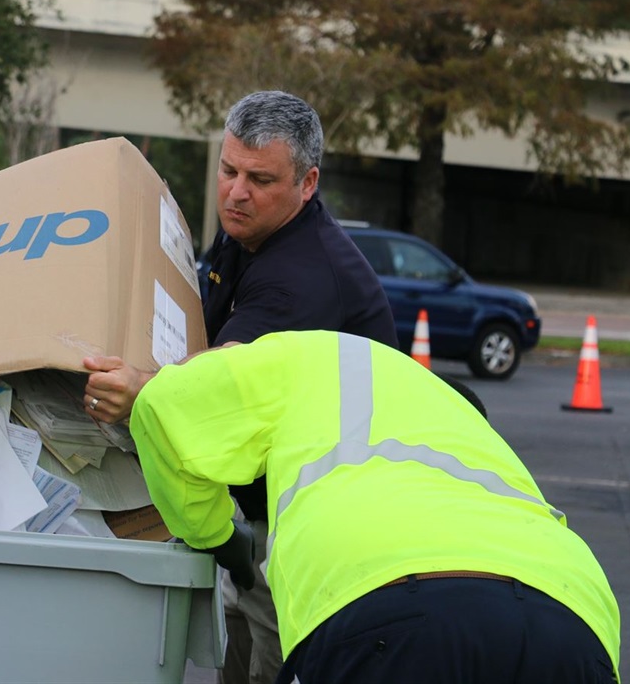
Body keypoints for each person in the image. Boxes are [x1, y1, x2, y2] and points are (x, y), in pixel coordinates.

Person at [83, 90, 398, 684]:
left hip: (315, 526)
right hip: (259, 504)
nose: (235, 192)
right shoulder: (247, 230)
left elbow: (213, 389)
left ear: (307, 184)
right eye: (228, 170)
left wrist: (141, 391)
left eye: (260, 178)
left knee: (272, 664)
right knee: (233, 646)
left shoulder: (301, 277)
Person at [129, 330, 621, 683]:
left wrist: (218, 536)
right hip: (573, 618)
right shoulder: (447, 411)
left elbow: (160, 404)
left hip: (386, 614)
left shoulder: (289, 355)